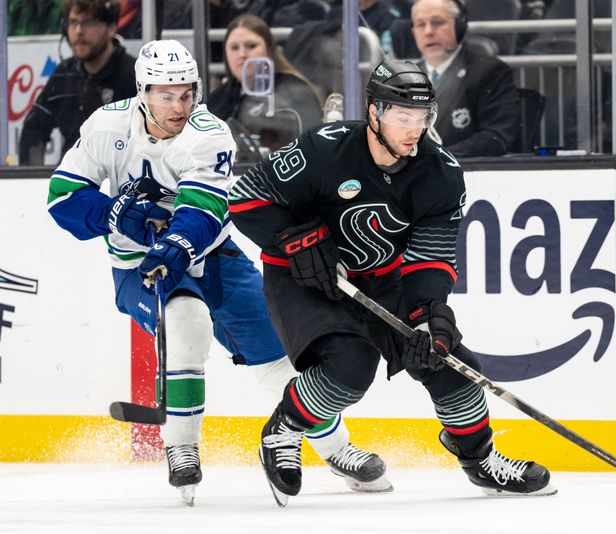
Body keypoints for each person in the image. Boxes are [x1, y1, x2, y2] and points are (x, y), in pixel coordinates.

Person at [46, 39, 391, 505]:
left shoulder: (208, 133)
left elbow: (204, 208)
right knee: (187, 322)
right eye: (166, 95)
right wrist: (115, 215)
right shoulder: (107, 125)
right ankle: (182, 447)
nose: (179, 105)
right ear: (142, 91)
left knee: (280, 361)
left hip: (214, 256)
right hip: (137, 269)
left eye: (187, 93)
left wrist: (174, 243)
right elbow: (62, 198)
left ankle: (337, 449)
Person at [229, 59, 556, 507]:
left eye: (423, 119)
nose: (414, 129)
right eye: (403, 117)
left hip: (384, 281)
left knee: (450, 359)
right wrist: (292, 239)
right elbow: (245, 198)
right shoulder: (323, 148)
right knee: (351, 366)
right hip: (305, 278)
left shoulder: (441, 173)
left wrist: (427, 314)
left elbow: (432, 257)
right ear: (375, 112)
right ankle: (283, 430)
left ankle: (480, 458)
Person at [18, 0, 137, 165]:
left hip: (118, 183)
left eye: (88, 22)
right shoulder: (65, 72)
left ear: (111, 28)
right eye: (73, 22)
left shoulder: (134, 75)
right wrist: (33, 180)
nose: (78, 31)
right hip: (69, 181)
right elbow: (34, 128)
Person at [410, 0, 520, 157]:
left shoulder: (489, 71)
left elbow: (495, 138)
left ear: (459, 26)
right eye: (421, 24)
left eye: (437, 23)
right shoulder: (405, 78)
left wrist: (437, 158)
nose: (428, 31)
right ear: (413, 32)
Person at [207, 14, 323, 161]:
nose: (242, 54)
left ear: (268, 50)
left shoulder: (295, 90)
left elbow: (311, 149)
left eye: (251, 46)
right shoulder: (218, 98)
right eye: (234, 47)